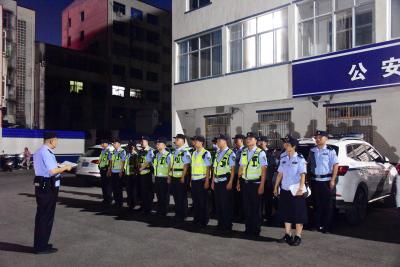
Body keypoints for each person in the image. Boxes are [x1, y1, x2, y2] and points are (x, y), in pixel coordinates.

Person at [33, 131, 73, 254]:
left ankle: (41, 243)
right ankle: (41, 247)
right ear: (51, 140)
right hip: (48, 187)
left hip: (41, 185)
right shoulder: (47, 153)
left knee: (42, 216)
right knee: (46, 216)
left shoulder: (39, 151)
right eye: (56, 140)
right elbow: (52, 171)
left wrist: (59, 165)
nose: (57, 142)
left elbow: (48, 167)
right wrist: (65, 167)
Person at [274, 135, 307, 246]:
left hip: (296, 190)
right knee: (286, 212)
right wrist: (276, 186)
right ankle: (287, 234)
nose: (285, 145)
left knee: (298, 214)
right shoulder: (283, 156)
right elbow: (280, 173)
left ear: (293, 146)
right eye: (284, 143)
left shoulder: (300, 158)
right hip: (285, 189)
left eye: (287, 144)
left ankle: (298, 236)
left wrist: (301, 189)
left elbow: (303, 175)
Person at [237, 132, 268, 237]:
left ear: (256, 140)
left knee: (255, 208)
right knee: (247, 207)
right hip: (245, 183)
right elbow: (241, 167)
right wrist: (238, 181)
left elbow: (264, 170)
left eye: (251, 138)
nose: (248, 140)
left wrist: (262, 185)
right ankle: (248, 228)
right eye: (247, 138)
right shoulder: (244, 151)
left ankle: (256, 229)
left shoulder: (261, 153)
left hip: (256, 183)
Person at [308, 130, 339, 233]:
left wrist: (333, 180)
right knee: (316, 204)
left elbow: (335, 165)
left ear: (326, 139)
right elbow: (308, 165)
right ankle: (316, 225)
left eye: (319, 137)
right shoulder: (312, 151)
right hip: (314, 180)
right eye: (316, 137)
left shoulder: (330, 151)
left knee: (327, 205)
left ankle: (327, 227)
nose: (317, 139)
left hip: (326, 181)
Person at [212, 134, 236, 232]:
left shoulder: (230, 153)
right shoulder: (217, 152)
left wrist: (230, 182)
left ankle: (227, 225)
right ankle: (220, 223)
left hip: (225, 181)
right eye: (217, 141)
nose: (217, 142)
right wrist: (213, 181)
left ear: (225, 141)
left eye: (219, 141)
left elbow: (233, 170)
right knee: (218, 203)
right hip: (217, 181)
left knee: (226, 204)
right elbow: (215, 168)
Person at [190, 135, 212, 227]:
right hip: (194, 180)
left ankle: (204, 220)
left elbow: (208, 168)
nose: (194, 142)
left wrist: (207, 181)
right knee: (196, 201)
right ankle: (197, 218)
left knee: (203, 202)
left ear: (201, 142)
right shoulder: (194, 153)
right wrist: (191, 180)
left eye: (196, 141)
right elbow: (193, 167)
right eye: (194, 141)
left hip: (202, 180)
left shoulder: (206, 153)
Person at [169, 134, 191, 222]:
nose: (175, 141)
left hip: (181, 177)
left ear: (182, 141)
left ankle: (183, 214)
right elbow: (171, 165)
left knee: (182, 196)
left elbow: (186, 165)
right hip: (174, 176)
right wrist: (169, 175)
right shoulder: (174, 152)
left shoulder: (185, 151)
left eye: (177, 139)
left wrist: (183, 177)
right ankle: (178, 213)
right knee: (176, 196)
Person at [257, 136, 278, 223]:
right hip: (258, 179)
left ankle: (269, 216)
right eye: (259, 141)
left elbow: (272, 165)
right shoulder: (256, 152)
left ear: (266, 143)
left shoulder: (270, 153)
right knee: (259, 199)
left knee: (268, 199)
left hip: (268, 179)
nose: (260, 143)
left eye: (262, 141)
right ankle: (259, 216)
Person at [151, 139, 171, 215]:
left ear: (164, 145)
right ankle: (160, 209)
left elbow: (170, 166)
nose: (157, 144)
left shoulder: (168, 155)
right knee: (158, 195)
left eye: (159, 143)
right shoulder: (156, 155)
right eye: (157, 143)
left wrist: (169, 177)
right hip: (157, 177)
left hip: (164, 177)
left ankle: (164, 210)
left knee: (164, 195)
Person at [138, 136, 155, 214]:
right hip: (141, 173)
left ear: (147, 142)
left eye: (143, 141)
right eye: (141, 141)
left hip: (148, 173)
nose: (142, 142)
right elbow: (139, 161)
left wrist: (141, 168)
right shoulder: (141, 151)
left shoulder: (151, 151)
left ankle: (149, 208)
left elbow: (149, 162)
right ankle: (143, 206)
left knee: (148, 192)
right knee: (142, 191)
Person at [107, 138, 126, 208]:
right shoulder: (113, 151)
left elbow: (123, 162)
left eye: (115, 143)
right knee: (114, 187)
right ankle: (116, 201)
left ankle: (120, 202)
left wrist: (121, 171)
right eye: (113, 143)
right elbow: (111, 162)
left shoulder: (122, 151)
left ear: (119, 144)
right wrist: (109, 170)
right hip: (113, 172)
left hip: (119, 172)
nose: (113, 144)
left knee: (118, 188)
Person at [232, 134, 245, 220]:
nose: (235, 142)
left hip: (241, 176)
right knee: (234, 196)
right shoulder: (233, 150)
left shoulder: (245, 150)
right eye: (234, 140)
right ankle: (235, 213)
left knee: (241, 196)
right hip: (234, 175)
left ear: (241, 140)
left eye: (236, 140)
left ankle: (242, 214)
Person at [124, 142, 139, 210]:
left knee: (133, 190)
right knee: (128, 190)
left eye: (130, 147)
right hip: (127, 174)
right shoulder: (128, 154)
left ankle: (133, 203)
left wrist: (135, 173)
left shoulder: (135, 155)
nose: (128, 148)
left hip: (133, 174)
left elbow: (136, 165)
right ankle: (130, 202)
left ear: (133, 147)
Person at [98, 139, 112, 204]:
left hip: (106, 170)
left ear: (106, 144)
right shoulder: (102, 151)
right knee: (103, 185)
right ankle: (105, 199)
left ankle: (109, 199)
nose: (101, 145)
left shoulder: (109, 151)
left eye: (102, 143)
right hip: (102, 170)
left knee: (108, 186)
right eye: (101, 143)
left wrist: (109, 170)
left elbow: (110, 161)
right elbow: (101, 159)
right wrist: (99, 165)